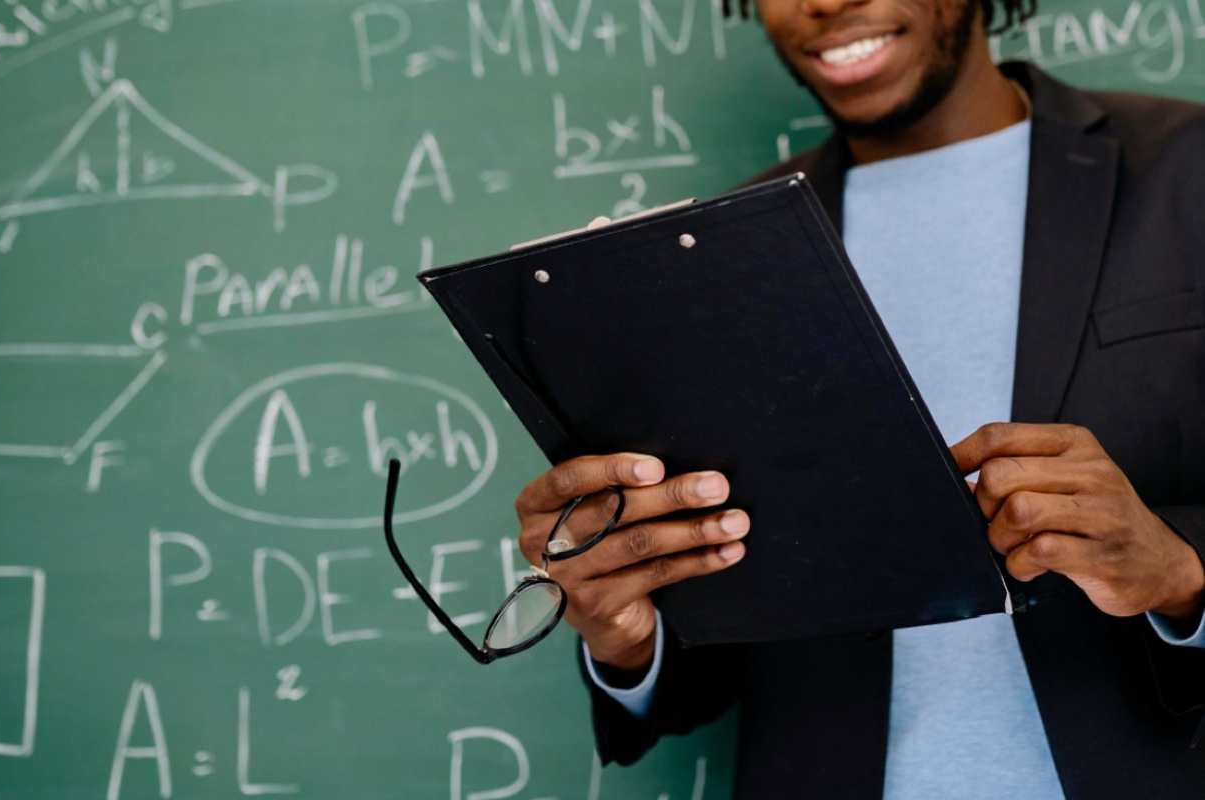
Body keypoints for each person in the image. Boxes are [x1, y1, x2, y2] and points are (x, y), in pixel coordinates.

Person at [513, 0, 1205, 797]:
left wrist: (1180, 569)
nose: (826, 2)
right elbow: (712, 644)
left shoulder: (1185, 169)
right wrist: (628, 636)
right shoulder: (710, 261)